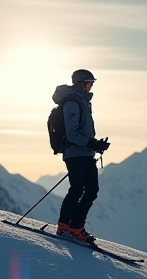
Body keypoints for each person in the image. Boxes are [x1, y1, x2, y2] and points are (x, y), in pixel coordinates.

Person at [52, 69, 110, 243]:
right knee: (77, 189)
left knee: (91, 190)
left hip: (85, 152)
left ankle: (74, 227)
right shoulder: (72, 103)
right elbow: (72, 134)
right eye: (89, 83)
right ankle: (66, 227)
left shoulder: (83, 102)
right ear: (80, 83)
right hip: (75, 153)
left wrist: (95, 144)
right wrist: (92, 143)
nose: (91, 86)